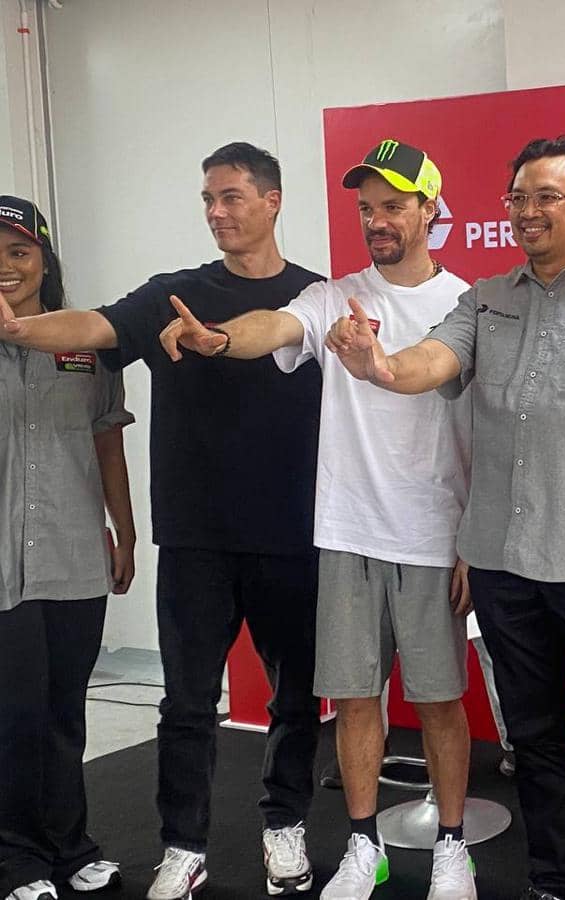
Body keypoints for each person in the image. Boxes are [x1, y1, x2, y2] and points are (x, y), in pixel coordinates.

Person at [323, 135, 565, 900]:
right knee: (535, 736)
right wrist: (381, 368)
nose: (527, 211)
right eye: (518, 197)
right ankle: (554, 882)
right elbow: (434, 360)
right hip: (503, 560)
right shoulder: (486, 298)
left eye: (547, 197)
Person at [0, 145, 325, 900]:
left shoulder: (316, 297)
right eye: (208, 198)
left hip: (293, 536)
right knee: (185, 705)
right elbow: (94, 325)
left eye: (232, 196)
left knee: (297, 699)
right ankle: (183, 846)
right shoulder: (172, 294)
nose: (217, 211)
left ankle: (285, 826)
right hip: (194, 540)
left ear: (272, 200)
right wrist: (18, 331)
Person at [158, 139, 478, 900]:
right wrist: (220, 339)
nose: (377, 220)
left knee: (439, 704)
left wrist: (472, 538)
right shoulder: (332, 297)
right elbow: (273, 327)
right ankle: (364, 847)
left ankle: (452, 849)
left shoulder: (467, 303)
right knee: (357, 702)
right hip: (345, 535)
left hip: (432, 536)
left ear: (430, 210)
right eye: (366, 208)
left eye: (393, 206)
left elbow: (480, 423)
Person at [0, 196, 135, 900]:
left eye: (19, 251)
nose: (6, 266)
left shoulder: (86, 344)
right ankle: (17, 859)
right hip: (3, 565)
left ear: (44, 261)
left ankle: (69, 845)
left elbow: (107, 437)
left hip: (74, 553)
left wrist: (125, 529)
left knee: (63, 712)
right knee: (14, 716)